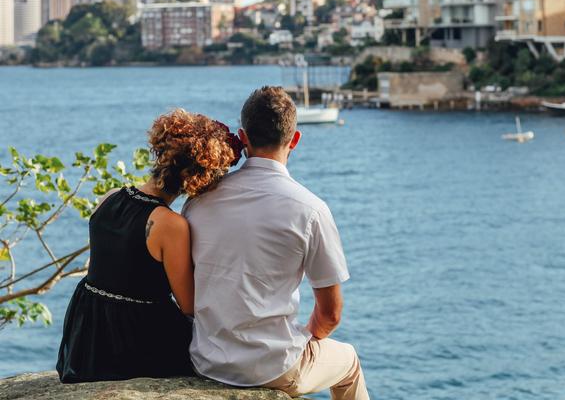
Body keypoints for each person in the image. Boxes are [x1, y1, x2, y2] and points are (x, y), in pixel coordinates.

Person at [184, 86, 369, 400]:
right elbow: (331, 315)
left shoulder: (198, 201)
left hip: (207, 360)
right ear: (294, 139)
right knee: (349, 361)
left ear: (243, 137)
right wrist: (306, 340)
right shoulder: (310, 210)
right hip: (272, 367)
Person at [56, 109, 240, 383]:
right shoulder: (170, 225)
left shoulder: (109, 197)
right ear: (197, 177)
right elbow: (189, 305)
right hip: (134, 340)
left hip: (87, 337)